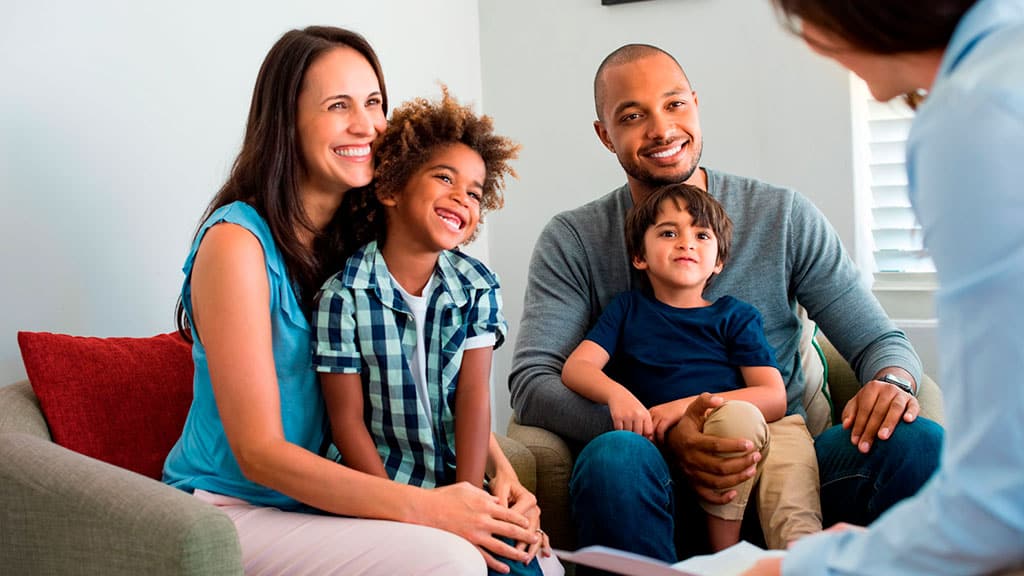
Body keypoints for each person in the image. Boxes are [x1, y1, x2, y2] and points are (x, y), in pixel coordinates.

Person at [509, 42, 943, 565]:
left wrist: (892, 381)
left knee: (917, 442)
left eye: (674, 105)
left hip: (783, 459)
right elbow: (534, 382)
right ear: (605, 135)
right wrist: (666, 431)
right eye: (632, 115)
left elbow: (880, 341)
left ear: (695, 103)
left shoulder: (781, 216)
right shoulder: (574, 239)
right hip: (648, 468)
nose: (662, 129)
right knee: (615, 458)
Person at [162, 26, 546, 575]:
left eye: (373, 102)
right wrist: (431, 510)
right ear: (286, 122)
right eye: (338, 105)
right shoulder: (236, 244)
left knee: (525, 555)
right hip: (230, 509)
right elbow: (258, 453)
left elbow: (430, 384)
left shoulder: (362, 243)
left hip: (326, 503)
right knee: (450, 561)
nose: (366, 125)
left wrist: (498, 476)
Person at [743, 1, 1024, 574]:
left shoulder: (971, 117)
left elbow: (1000, 499)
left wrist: (813, 564)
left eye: (803, 20)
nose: (813, 46)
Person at [311, 88, 557, 576]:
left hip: (454, 480)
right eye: (444, 178)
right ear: (391, 189)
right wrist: (397, 511)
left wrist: (469, 507)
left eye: (473, 191)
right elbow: (347, 422)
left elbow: (472, 401)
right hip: (375, 485)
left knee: (530, 567)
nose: (460, 198)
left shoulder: (476, 287)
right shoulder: (342, 296)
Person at [561, 182, 821, 552]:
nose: (686, 243)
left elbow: (772, 396)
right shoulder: (627, 310)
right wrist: (617, 395)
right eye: (669, 233)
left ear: (718, 262)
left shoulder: (735, 315)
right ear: (640, 256)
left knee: (756, 437)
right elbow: (577, 368)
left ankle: (761, 558)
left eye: (701, 234)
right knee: (733, 422)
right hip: (666, 452)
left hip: (745, 429)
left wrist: (680, 407)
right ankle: (722, 558)